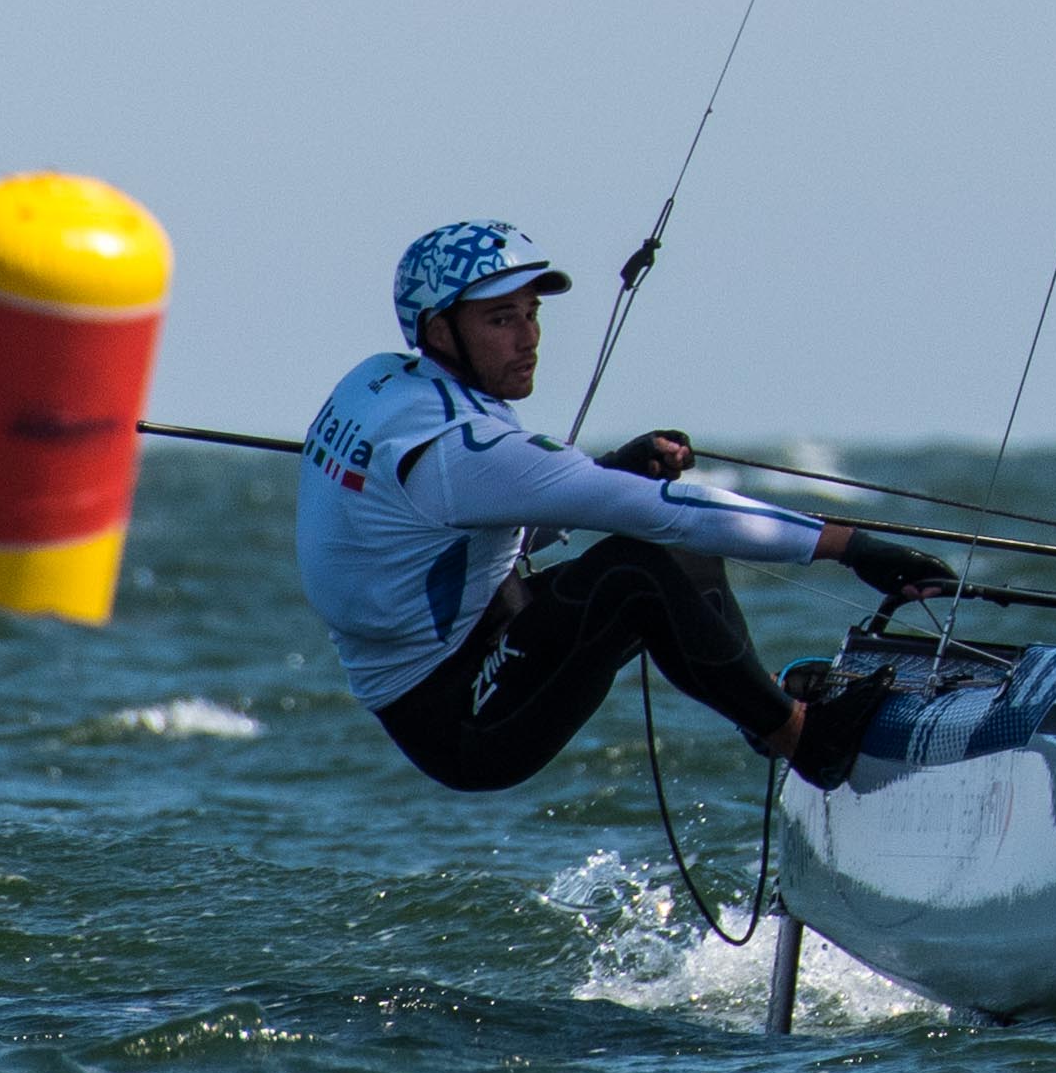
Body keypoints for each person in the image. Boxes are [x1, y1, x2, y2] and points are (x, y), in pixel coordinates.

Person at [299, 219, 961, 795]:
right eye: (501, 320)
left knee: (675, 556)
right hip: (459, 719)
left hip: (484, 627)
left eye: (531, 313)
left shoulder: (380, 383)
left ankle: (765, 709)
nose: (528, 337)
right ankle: (807, 742)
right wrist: (850, 547)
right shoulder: (462, 450)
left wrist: (611, 471)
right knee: (633, 572)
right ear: (440, 331)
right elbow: (669, 510)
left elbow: (458, 533)